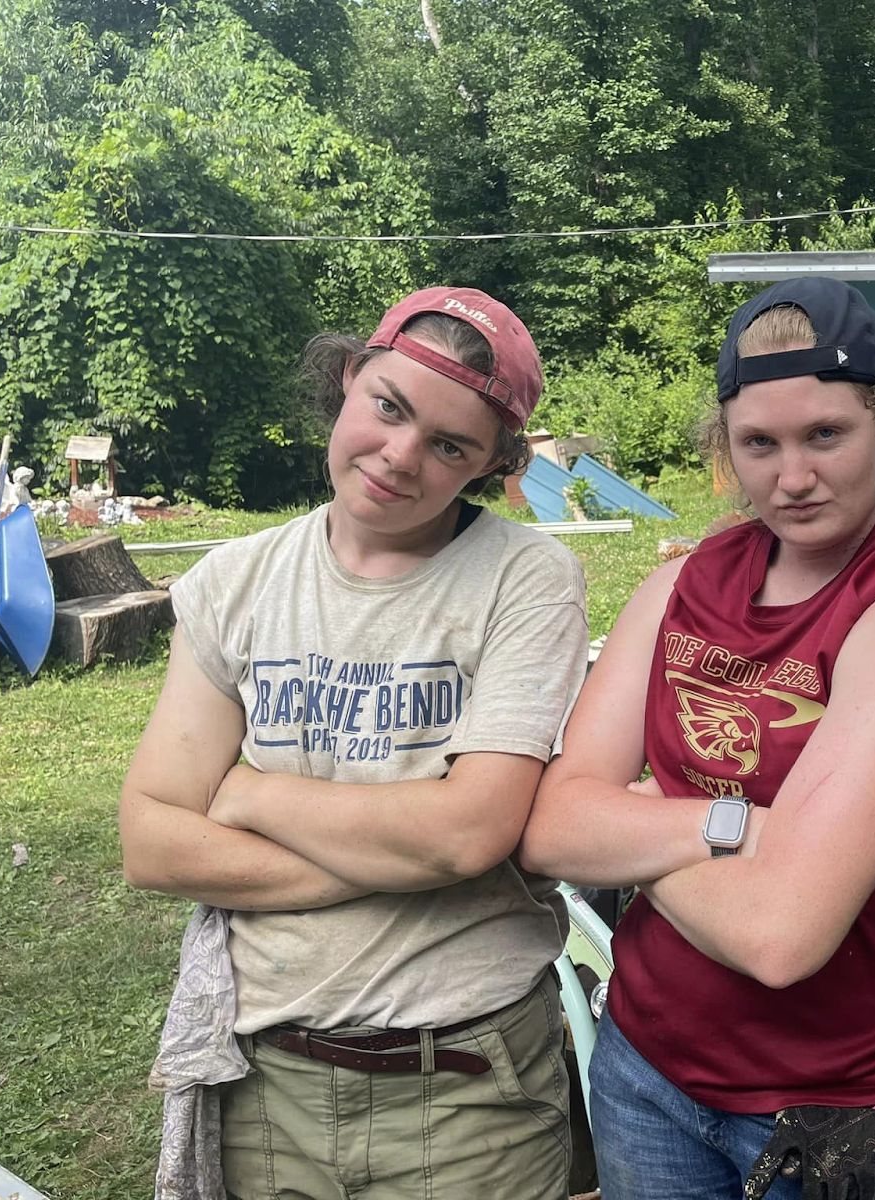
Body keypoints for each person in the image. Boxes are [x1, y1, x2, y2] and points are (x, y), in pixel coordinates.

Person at [519, 278, 875, 1200]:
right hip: (645, 1071)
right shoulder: (685, 583)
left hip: (834, 1112)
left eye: (825, 434)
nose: (793, 477)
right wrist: (740, 829)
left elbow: (783, 937)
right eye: (760, 444)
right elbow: (548, 828)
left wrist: (638, 821)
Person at [119, 287, 588, 1200]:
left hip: (467, 1091)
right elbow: (154, 841)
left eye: (450, 446)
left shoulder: (526, 580)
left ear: (490, 466)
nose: (400, 457)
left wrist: (251, 794)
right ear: (348, 377)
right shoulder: (235, 581)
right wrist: (419, 851)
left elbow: (465, 836)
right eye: (389, 407)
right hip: (265, 1084)